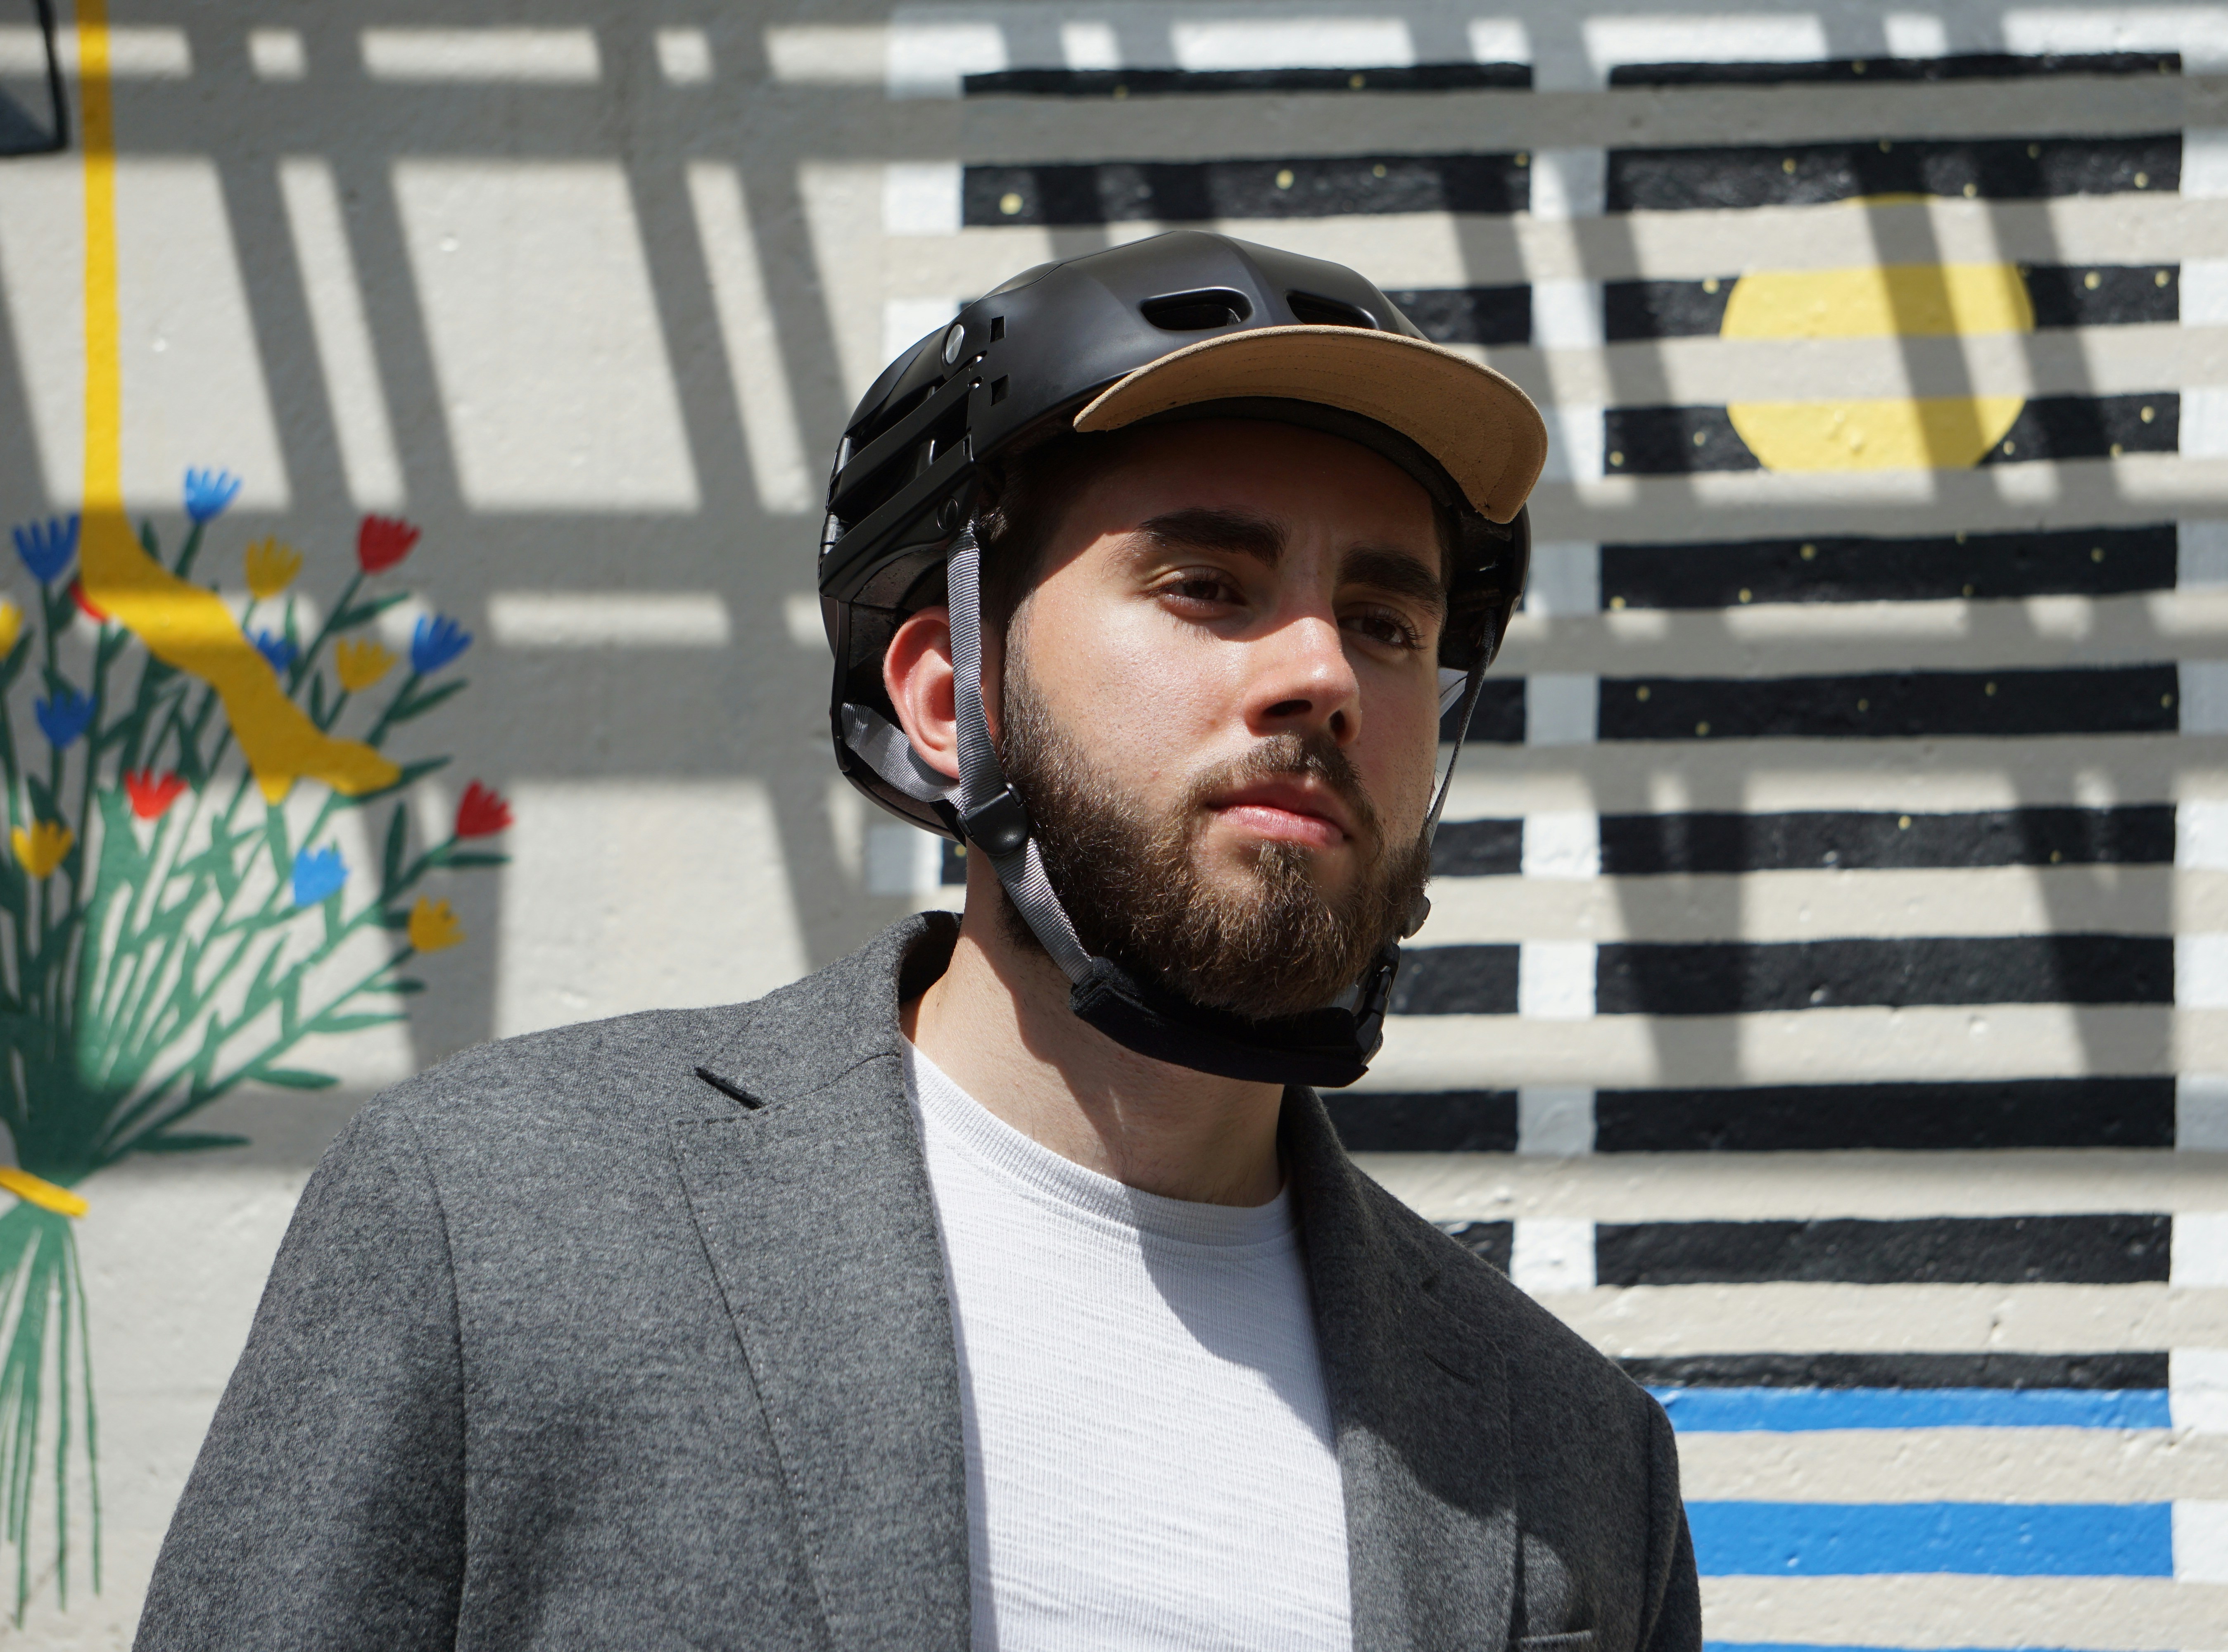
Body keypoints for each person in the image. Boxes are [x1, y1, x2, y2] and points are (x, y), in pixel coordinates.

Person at [136, 231, 1698, 1651]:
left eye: (1388, 622)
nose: (1321, 674)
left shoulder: (1577, 1462)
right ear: (948, 701)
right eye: (1208, 586)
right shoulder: (494, 1217)